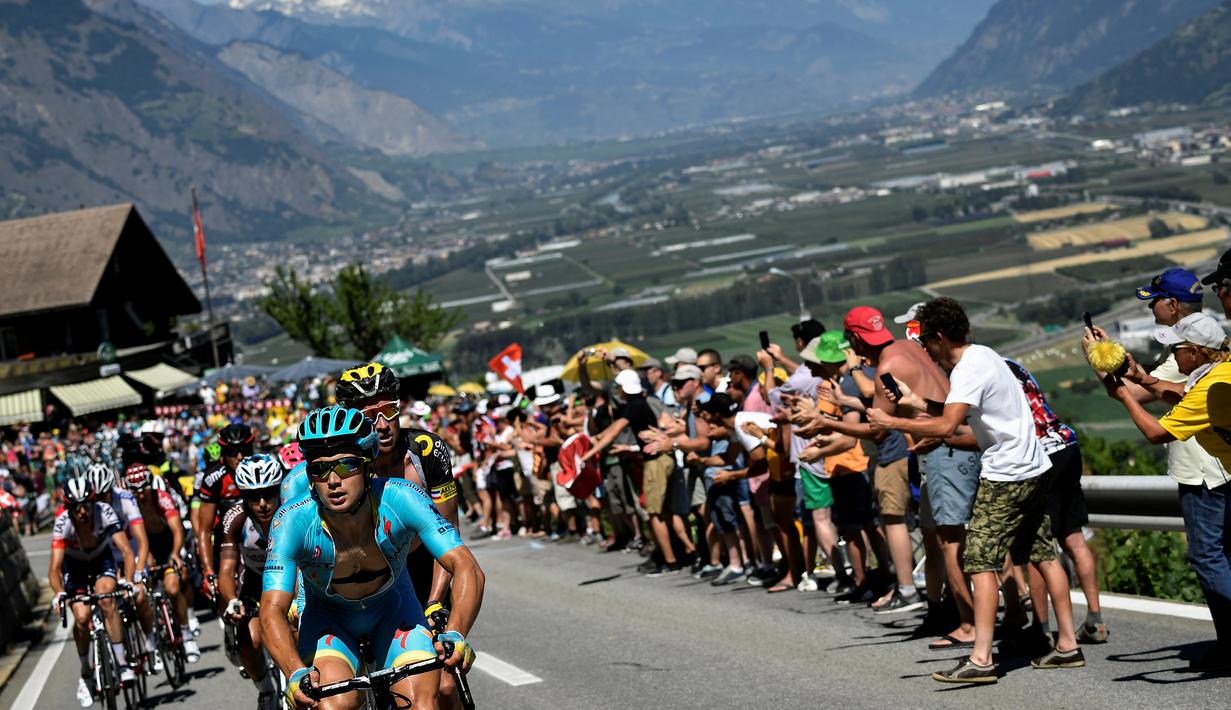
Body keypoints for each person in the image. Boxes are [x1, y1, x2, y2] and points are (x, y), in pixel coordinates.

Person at [868, 297, 1083, 683]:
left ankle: (981, 659)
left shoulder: (966, 369)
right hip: (1035, 467)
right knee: (1042, 553)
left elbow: (948, 428)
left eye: (926, 344)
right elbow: (960, 413)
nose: (926, 353)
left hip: (1005, 476)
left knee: (980, 562)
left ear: (938, 337)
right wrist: (916, 402)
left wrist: (891, 420)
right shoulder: (986, 355)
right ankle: (1067, 645)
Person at [260, 406, 485, 710]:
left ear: (368, 467)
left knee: (423, 703)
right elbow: (272, 608)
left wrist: (456, 632)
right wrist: (294, 672)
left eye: (346, 466)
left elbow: (466, 566)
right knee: (331, 705)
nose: (333, 480)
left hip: (393, 610)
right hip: (329, 620)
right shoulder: (291, 520)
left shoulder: (402, 497)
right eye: (319, 470)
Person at [1087, 267, 1231, 670]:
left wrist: (1104, 367)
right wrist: (1139, 375)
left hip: (1203, 472)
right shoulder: (1214, 345)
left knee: (1208, 559)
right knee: (1221, 560)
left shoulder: (1190, 351)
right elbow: (1173, 390)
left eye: (1154, 301)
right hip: (1219, 468)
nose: (1151, 309)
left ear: (1171, 304)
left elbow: (1143, 413)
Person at [334, 363, 461, 609]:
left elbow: (450, 533)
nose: (382, 425)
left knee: (445, 642)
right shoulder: (345, 465)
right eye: (369, 416)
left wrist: (435, 602)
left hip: (425, 561)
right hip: (368, 571)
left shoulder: (426, 449)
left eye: (389, 410)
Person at [49, 477, 137, 707]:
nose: (82, 512)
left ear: (92, 502)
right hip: (75, 566)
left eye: (86, 505)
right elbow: (54, 569)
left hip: (100, 560)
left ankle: (121, 663)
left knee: (108, 600)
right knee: (81, 616)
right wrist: (59, 593)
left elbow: (126, 551)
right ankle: (86, 672)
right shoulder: (62, 523)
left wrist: (128, 580)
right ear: (69, 508)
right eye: (76, 507)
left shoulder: (104, 511)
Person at [220, 454, 284, 710]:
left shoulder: (293, 508)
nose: (263, 503)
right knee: (250, 640)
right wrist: (232, 601)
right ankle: (266, 690)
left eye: (269, 494)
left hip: (294, 581)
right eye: (253, 496)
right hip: (255, 584)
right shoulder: (235, 517)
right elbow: (226, 569)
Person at [125, 461, 200, 663]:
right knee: (143, 591)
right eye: (135, 491)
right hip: (144, 545)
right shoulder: (128, 505)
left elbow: (177, 530)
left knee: (174, 587)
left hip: (167, 543)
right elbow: (132, 539)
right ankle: (154, 635)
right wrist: (143, 560)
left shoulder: (163, 498)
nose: (140, 494)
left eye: (143, 489)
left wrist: (175, 554)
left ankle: (186, 633)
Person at [196, 423, 254, 587]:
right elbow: (204, 530)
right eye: (232, 452)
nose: (240, 456)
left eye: (244, 449)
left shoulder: (265, 468)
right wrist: (208, 571)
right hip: (228, 541)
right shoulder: (213, 479)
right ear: (223, 453)